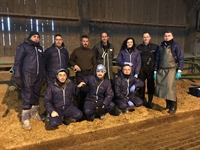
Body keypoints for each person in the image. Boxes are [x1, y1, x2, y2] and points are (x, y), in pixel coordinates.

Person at [13, 31, 45, 130]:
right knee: (27, 95)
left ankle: (34, 114)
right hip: (27, 75)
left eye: (38, 37)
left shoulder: (40, 48)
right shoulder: (23, 46)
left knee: (36, 95)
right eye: (34, 36)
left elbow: (42, 63)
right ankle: (25, 119)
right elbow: (17, 62)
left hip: (38, 76)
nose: (36, 38)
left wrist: (43, 75)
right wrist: (17, 76)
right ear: (30, 37)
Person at [154, 30, 184, 114]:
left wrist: (179, 70)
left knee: (170, 88)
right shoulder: (160, 47)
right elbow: (157, 59)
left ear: (172, 36)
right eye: (165, 36)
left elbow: (181, 58)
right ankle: (168, 105)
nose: (167, 37)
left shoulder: (176, 46)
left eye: (168, 35)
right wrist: (155, 71)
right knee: (164, 88)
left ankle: (173, 106)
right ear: (163, 37)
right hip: (162, 69)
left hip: (171, 69)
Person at [69, 35, 96, 110]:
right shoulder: (76, 51)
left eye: (87, 41)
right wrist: (74, 65)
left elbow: (94, 64)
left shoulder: (91, 52)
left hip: (89, 74)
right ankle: (79, 109)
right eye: (84, 41)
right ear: (81, 42)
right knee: (80, 91)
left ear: (88, 42)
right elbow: (70, 60)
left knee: (89, 91)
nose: (85, 43)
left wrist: (93, 74)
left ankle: (88, 108)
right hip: (80, 74)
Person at [137, 32, 158, 108]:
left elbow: (157, 59)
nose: (146, 38)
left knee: (151, 85)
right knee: (141, 85)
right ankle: (142, 99)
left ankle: (150, 101)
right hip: (142, 69)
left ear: (150, 37)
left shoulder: (155, 47)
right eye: (144, 37)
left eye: (147, 37)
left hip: (151, 70)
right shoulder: (138, 48)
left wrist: (156, 70)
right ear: (142, 38)